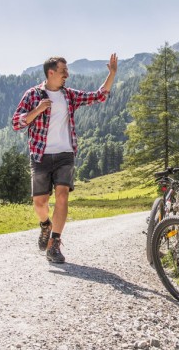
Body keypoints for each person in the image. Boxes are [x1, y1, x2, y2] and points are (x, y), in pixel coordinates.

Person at [12, 54, 117, 263]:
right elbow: (17, 123)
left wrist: (112, 73)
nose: (66, 75)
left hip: (65, 154)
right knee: (40, 203)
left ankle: (55, 244)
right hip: (40, 155)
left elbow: (98, 96)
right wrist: (38, 109)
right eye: (63, 72)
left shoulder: (69, 95)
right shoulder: (32, 95)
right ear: (51, 73)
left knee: (62, 196)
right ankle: (45, 225)